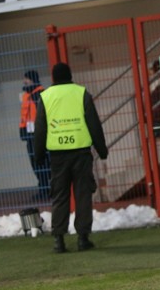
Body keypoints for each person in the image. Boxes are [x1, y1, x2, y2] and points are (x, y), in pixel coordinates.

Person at [34, 63, 108, 253]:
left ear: (53, 77)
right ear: (70, 75)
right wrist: (102, 149)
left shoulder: (46, 96)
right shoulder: (82, 93)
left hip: (58, 156)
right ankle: (83, 238)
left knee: (60, 196)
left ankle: (59, 240)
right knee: (83, 194)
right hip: (81, 153)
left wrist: (39, 154)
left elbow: (40, 129)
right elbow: (94, 123)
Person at [20, 70, 51, 199]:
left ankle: (48, 189)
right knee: (35, 164)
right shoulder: (27, 95)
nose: (24, 81)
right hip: (30, 135)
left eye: (26, 79)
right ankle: (43, 188)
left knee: (44, 163)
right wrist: (22, 130)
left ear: (32, 80)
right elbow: (24, 116)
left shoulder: (41, 93)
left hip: (41, 134)